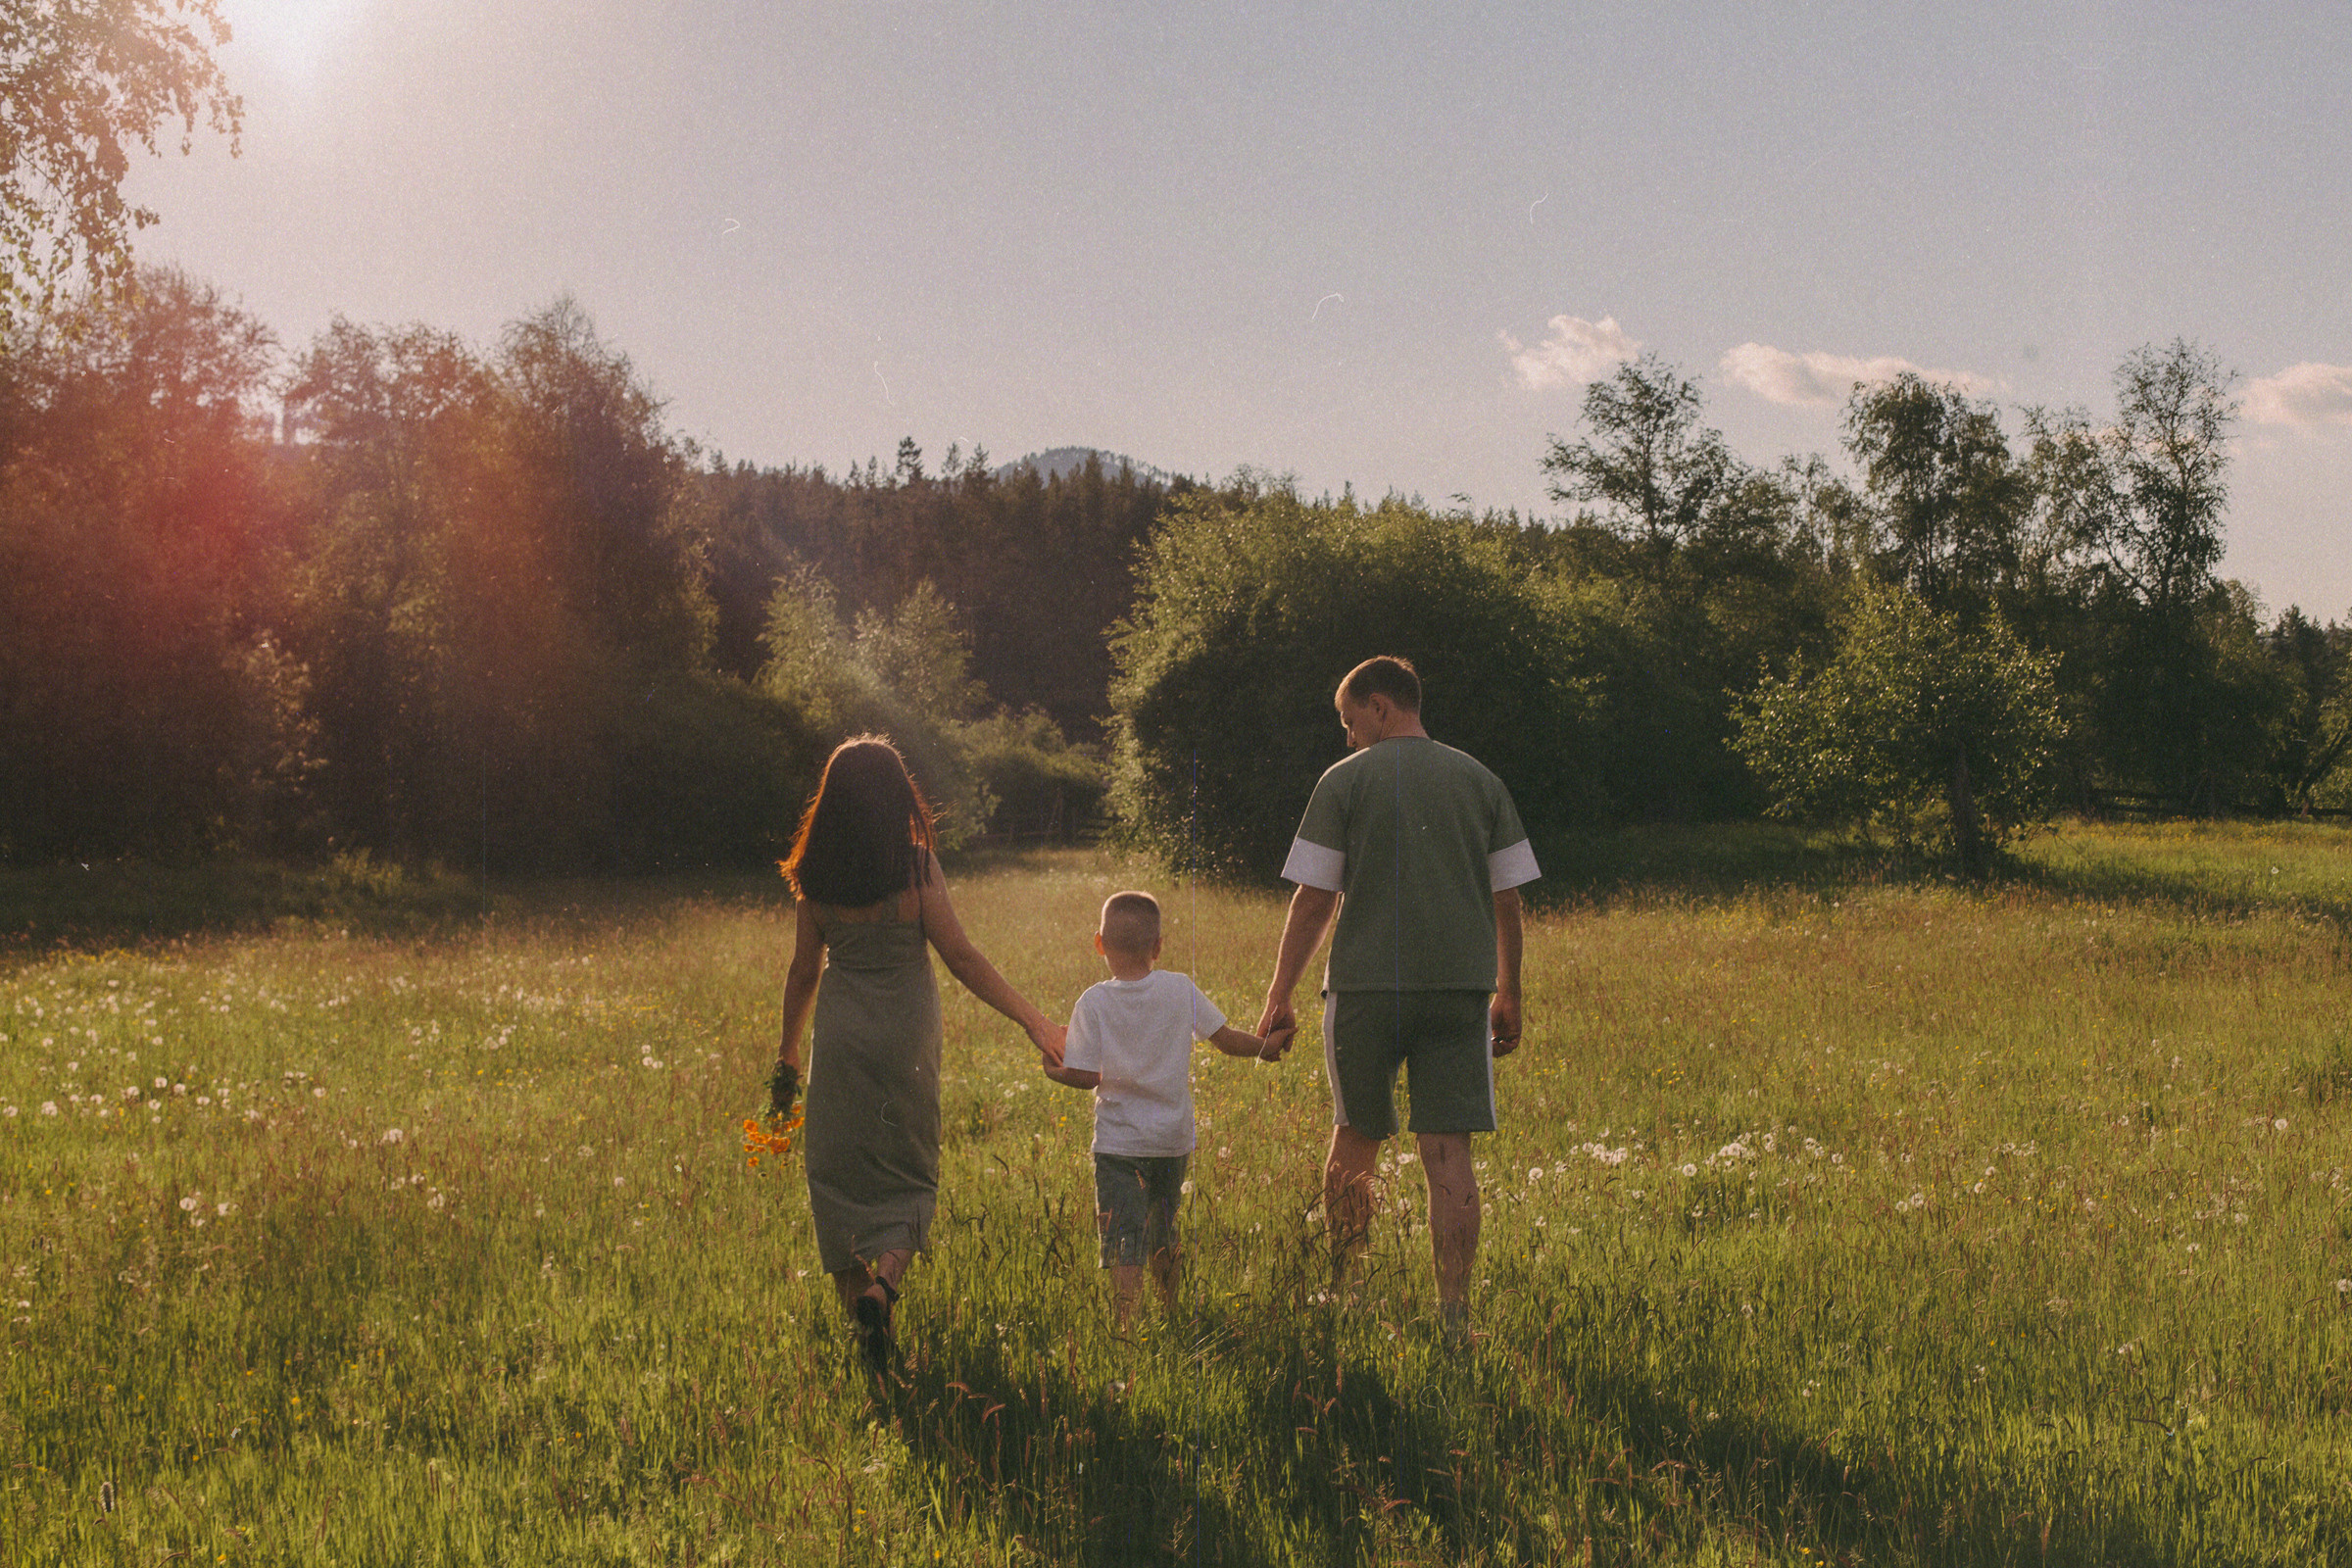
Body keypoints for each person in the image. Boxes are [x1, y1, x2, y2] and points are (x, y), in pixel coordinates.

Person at [1254, 656, 1540, 1335]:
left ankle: (1344, 1291)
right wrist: (1510, 993)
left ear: (1381, 707)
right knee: (1449, 1153)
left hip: (1364, 990)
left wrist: (1280, 994)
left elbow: (1315, 897)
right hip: (1460, 990)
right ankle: (1453, 1314)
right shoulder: (1481, 780)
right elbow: (1508, 900)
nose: (1349, 738)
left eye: (1352, 722)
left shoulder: (1344, 781)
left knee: (1355, 1138)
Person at [772, 736, 1065, 1372]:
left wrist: (787, 1055)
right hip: (906, 1038)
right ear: (895, 798)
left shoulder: (814, 879)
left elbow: (802, 973)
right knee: (908, 1170)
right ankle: (886, 1284)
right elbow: (960, 957)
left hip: (843, 1041)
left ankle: (866, 1330)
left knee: (839, 1176)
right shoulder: (917, 868)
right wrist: (1032, 1019)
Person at [1042, 891, 1292, 1331]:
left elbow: (1086, 1076)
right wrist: (1265, 1048)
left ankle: (1126, 1325)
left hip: (1119, 1145)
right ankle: (1173, 1311)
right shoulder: (1180, 989)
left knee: (1122, 1236)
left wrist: (1054, 1071)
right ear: (1158, 946)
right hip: (1171, 1142)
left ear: (1099, 943)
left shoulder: (1093, 1002)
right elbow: (1226, 1038)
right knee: (1164, 1231)